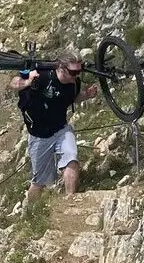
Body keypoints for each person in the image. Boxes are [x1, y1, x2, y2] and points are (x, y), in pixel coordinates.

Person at [11, 47, 97, 206]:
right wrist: (27, 81)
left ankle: (70, 201)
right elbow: (15, 83)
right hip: (39, 136)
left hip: (61, 129)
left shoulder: (74, 83)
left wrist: (87, 95)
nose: (76, 76)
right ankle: (30, 210)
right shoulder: (41, 75)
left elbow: (74, 98)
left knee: (71, 159)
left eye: (79, 72)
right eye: (73, 72)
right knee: (40, 182)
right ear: (61, 68)